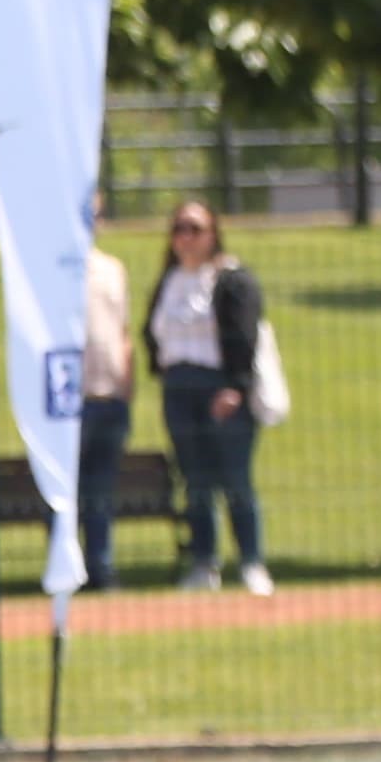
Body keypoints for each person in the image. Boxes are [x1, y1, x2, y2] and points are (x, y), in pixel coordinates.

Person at [148, 201, 273, 595]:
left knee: (235, 478)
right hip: (179, 388)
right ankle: (205, 563)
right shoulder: (169, 280)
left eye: (194, 228)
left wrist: (235, 386)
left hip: (221, 388)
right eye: (179, 228)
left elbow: (244, 335)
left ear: (213, 232)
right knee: (195, 480)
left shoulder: (232, 279)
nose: (185, 236)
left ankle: (252, 562)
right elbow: (153, 333)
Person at [74, 239, 136, 588]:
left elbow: (123, 332)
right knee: (64, 495)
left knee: (102, 491)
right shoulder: (52, 267)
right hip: (70, 403)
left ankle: (101, 568)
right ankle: (65, 573)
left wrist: (127, 386)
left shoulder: (113, 269)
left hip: (110, 396)